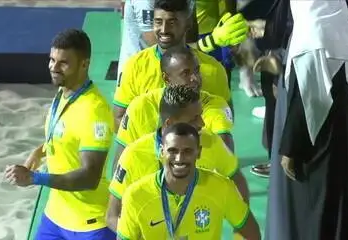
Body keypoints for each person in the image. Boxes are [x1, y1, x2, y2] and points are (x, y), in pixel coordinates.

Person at [266, 1, 348, 239]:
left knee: (315, 211)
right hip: (343, 139)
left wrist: (290, 149)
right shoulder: (341, 26)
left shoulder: (313, 31)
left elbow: (309, 97)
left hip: (316, 146)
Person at [4, 29, 115, 239]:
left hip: (89, 225)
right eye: (52, 59)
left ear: (84, 64)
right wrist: (40, 152)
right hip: (55, 216)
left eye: (63, 63)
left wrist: (34, 177)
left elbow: (90, 177)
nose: (54, 67)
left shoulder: (94, 111)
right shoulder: (64, 92)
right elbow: (66, 134)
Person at [106, 85, 250, 232]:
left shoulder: (210, 143)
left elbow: (237, 180)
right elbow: (112, 216)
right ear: (169, 124)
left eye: (200, 115)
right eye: (194, 119)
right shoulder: (134, 156)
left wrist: (239, 232)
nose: (202, 123)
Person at [113, 0, 248, 130]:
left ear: (188, 23)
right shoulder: (134, 67)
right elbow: (118, 118)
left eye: (172, 23)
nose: (164, 29)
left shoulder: (213, 70)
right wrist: (154, 145)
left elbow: (225, 123)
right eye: (158, 22)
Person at [116, 123, 260, 240]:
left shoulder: (221, 187)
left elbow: (251, 232)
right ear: (161, 151)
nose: (179, 158)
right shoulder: (136, 196)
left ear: (199, 152)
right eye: (172, 150)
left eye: (187, 151)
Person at [113, 47, 234, 171]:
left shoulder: (215, 105)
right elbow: (120, 164)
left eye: (197, 71)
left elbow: (226, 156)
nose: (195, 79)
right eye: (186, 73)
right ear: (166, 79)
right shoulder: (140, 107)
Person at [117, 0, 198, 84]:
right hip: (143, 70)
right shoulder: (144, 2)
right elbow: (154, 39)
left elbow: (191, 30)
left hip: (177, 64)